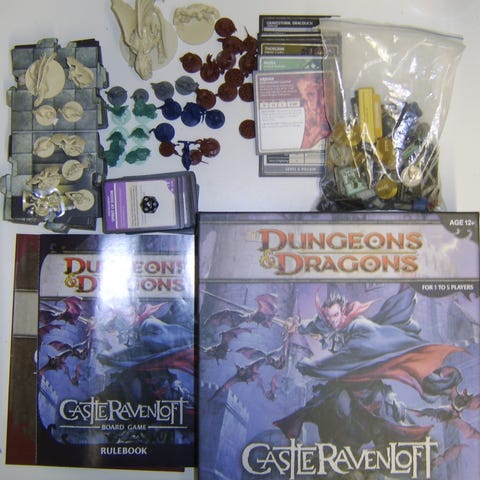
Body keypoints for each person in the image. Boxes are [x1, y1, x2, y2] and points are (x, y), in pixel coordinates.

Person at [275, 285, 465, 448]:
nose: (332, 320)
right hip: (348, 382)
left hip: (367, 381)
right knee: (325, 402)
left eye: (335, 315)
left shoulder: (359, 328)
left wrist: (309, 366)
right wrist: (297, 326)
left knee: (387, 414)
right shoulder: (329, 322)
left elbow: (343, 359)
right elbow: (315, 325)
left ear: (343, 312)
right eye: (328, 316)